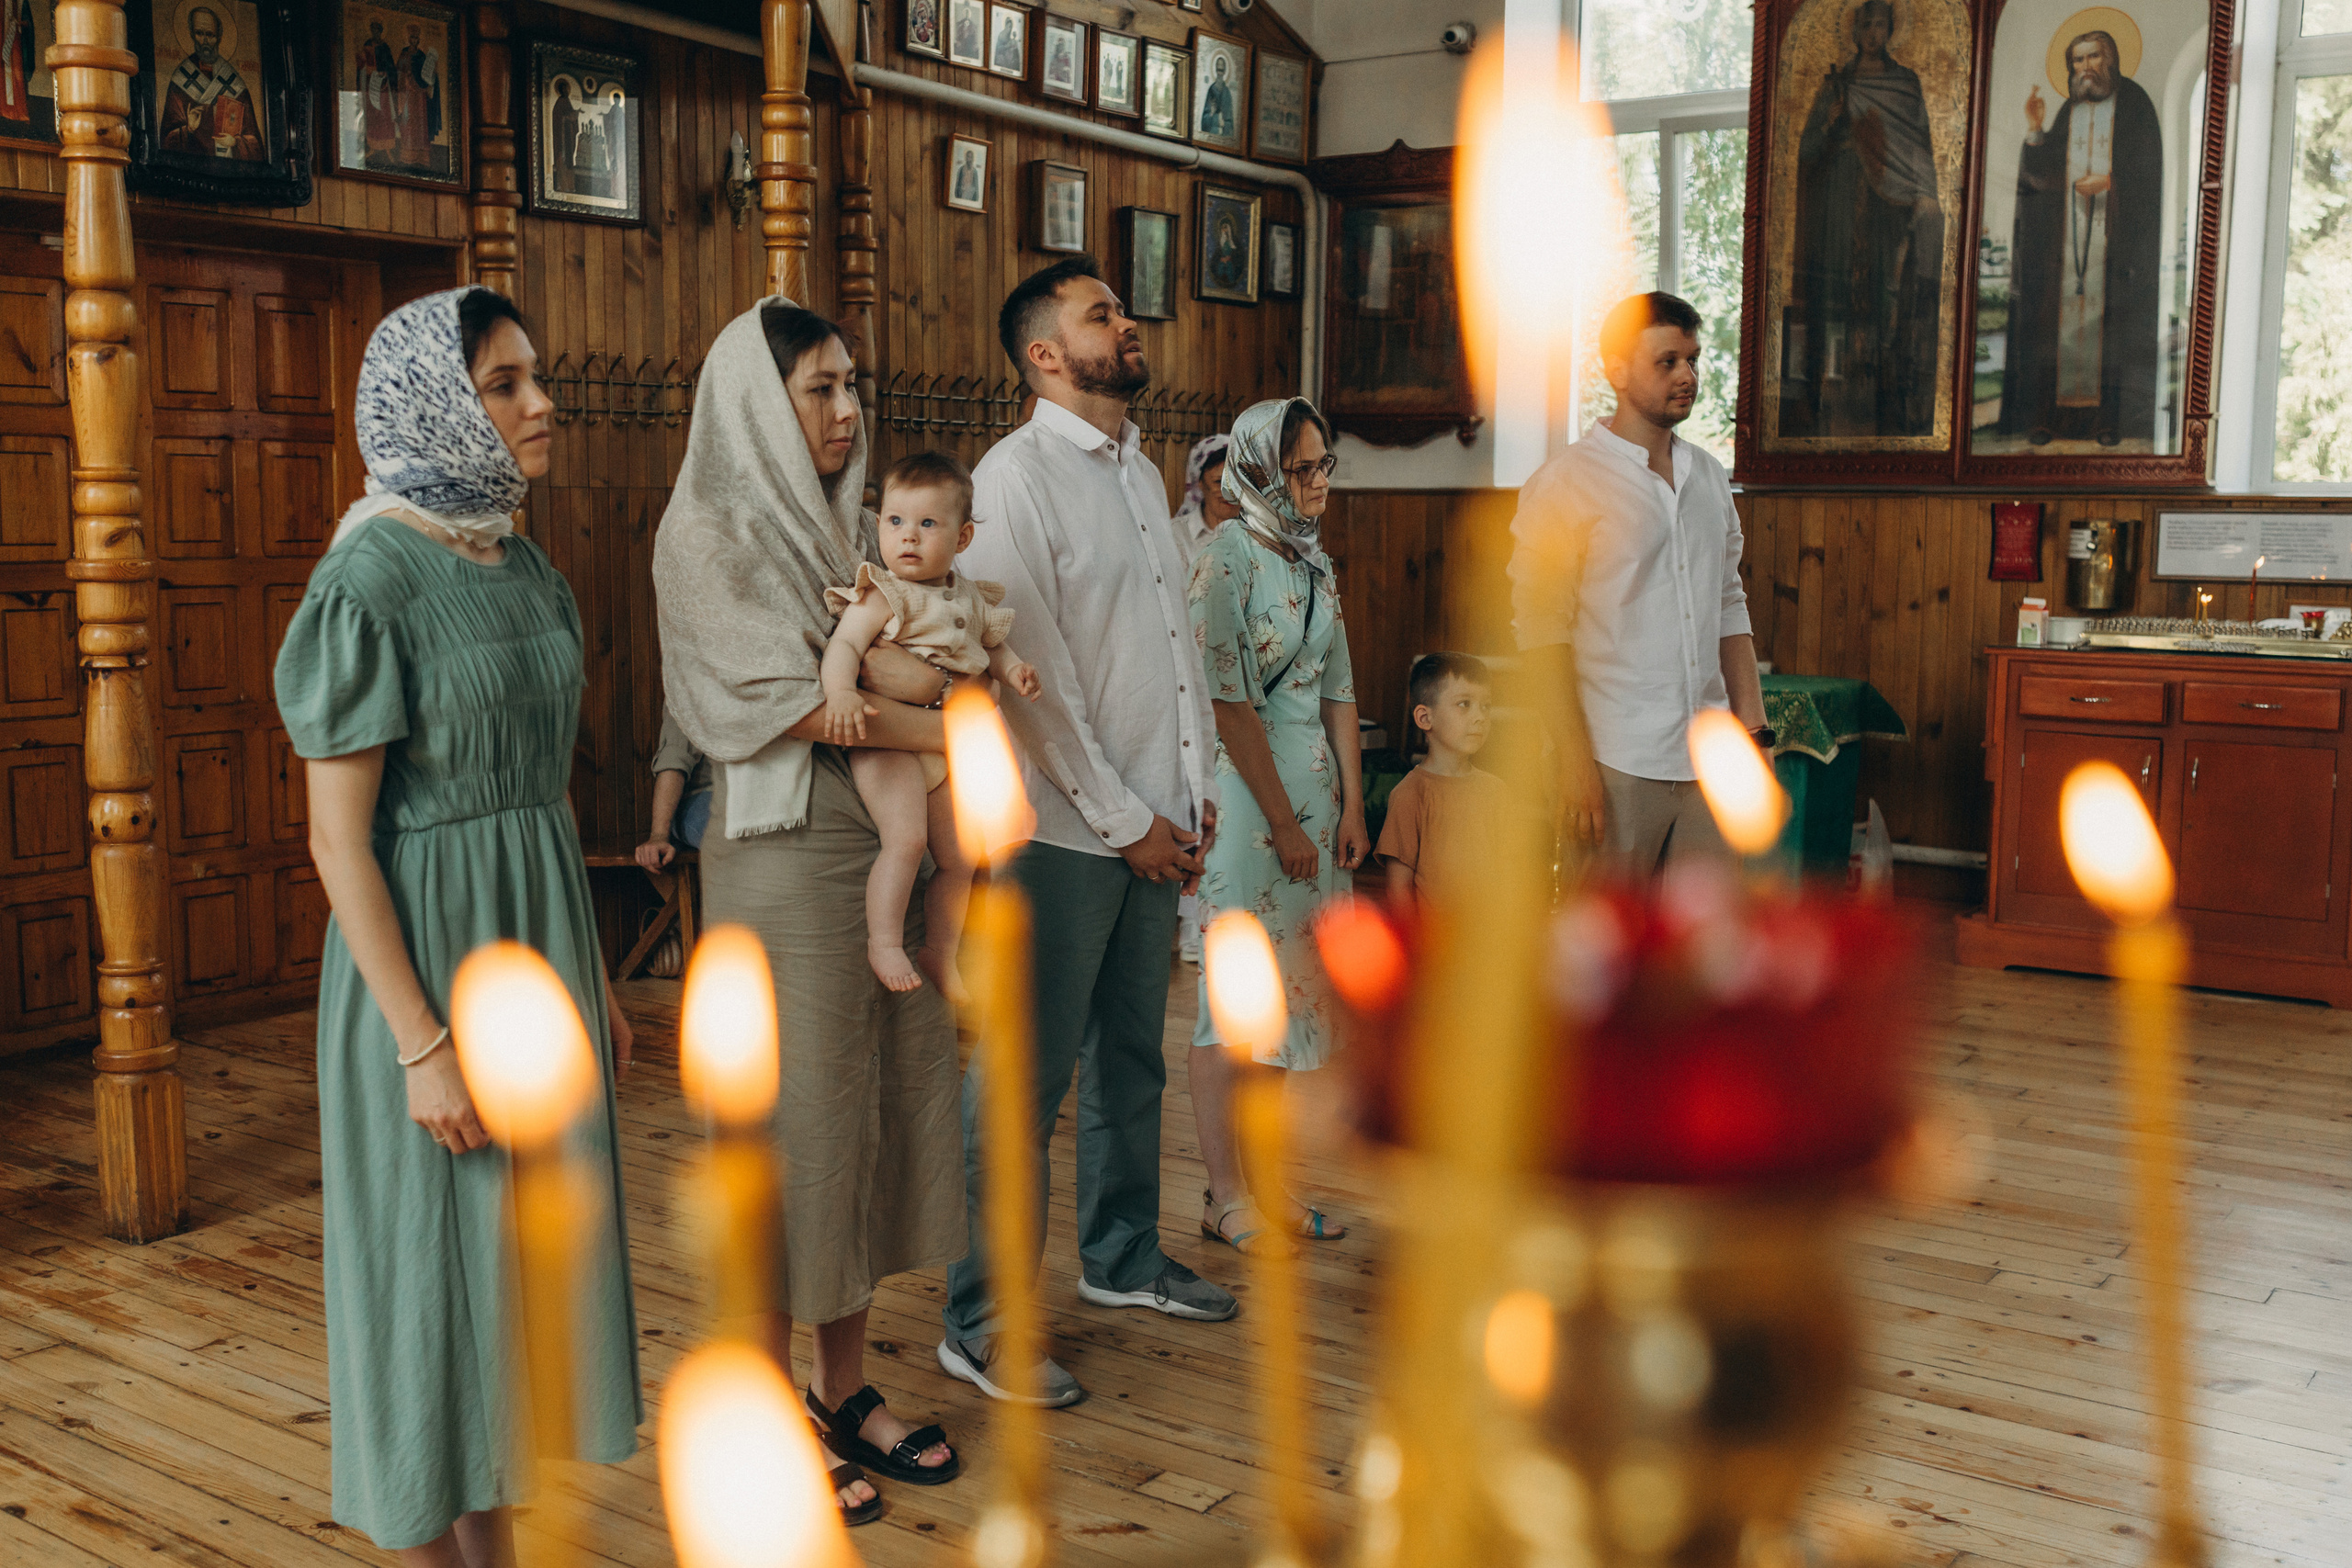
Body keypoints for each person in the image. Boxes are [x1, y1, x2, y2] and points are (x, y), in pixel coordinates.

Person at [275, 287, 642, 1565]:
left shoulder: (518, 552)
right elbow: (338, 838)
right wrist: (421, 1041)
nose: (541, 401)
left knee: (511, 1276)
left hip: (535, 934)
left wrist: (589, 974)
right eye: (505, 382)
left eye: (537, 376)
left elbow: (546, 787)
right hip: (424, 957)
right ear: (436, 398)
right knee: (428, 1276)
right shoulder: (367, 574)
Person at [653, 299, 965, 1524]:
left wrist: (914, 690)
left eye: (851, 387)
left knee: (864, 1122)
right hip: (777, 855)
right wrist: (942, 721)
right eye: (818, 391)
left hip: (873, 849)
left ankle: (842, 1386)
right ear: (753, 402)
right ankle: (762, 1397)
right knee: (785, 1139)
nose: (845, 414)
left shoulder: (847, 521)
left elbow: (918, 651)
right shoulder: (707, 529)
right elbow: (792, 702)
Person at [940, 255, 1237, 1408]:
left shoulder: (1135, 468)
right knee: (1022, 1085)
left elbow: (1171, 654)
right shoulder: (1011, 479)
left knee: (1131, 1061)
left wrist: (1196, 788)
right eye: (1100, 313)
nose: (1129, 321)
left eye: (1123, 304)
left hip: (1157, 820)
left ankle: (1118, 1260)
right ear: (1044, 355)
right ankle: (983, 1320)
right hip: (1064, 833)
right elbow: (1034, 682)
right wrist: (1124, 821)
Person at [1508, 291, 1770, 878]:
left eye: (1693, 360)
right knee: (1606, 954)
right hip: (1614, 760)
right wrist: (1576, 765)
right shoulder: (1564, 484)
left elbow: (1730, 606)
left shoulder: (1708, 476)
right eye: (1667, 361)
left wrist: (1758, 735)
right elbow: (1542, 637)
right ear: (1617, 369)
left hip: (1709, 758)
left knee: (1698, 954)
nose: (1688, 376)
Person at [1186, 397, 1365, 1254]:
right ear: (1260, 471)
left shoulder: (1314, 562)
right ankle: (1225, 1196)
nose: (1320, 481)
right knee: (1235, 1011)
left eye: (1326, 463)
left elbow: (1340, 691)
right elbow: (1227, 704)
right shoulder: (1226, 556)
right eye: (1303, 468)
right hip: (1250, 815)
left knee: (1290, 1009)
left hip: (1318, 811)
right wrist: (1287, 822)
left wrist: (1353, 808)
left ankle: (1274, 1181)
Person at [818, 451, 1040, 994]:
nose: (908, 538)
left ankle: (940, 952)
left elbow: (995, 647)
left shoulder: (969, 596)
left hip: (944, 755)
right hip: (890, 745)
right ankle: (884, 943)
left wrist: (1016, 673)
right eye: (895, 522)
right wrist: (841, 692)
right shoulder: (884, 593)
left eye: (927, 524)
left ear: (962, 539)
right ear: (879, 525)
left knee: (961, 859)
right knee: (906, 842)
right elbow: (844, 644)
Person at [1787, 0, 1942, 438]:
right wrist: (1831, 125)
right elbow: (1806, 154)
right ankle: (1827, 398)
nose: (1874, 32)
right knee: (1838, 293)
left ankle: (1887, 396)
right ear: (1855, 31)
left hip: (1887, 206)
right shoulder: (1837, 84)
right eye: (1867, 24)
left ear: (1892, 30)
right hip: (1838, 200)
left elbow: (1918, 147)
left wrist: (1925, 193)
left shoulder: (1904, 83)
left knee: (1883, 295)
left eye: (1882, 24)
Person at [2000, 28, 2162, 447]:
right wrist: (2036, 130)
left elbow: (2149, 175)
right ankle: (2047, 419)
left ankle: (2107, 422)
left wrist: (2111, 181)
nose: (2085, 68)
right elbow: (2039, 180)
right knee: (2054, 326)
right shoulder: (2066, 113)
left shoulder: (2136, 106)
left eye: (2094, 58)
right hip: (2065, 246)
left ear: (2111, 61)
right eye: (2078, 60)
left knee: (2110, 330)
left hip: (2115, 248)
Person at [1169, 433, 1241, 964]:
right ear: (1199, 483)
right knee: (1194, 800)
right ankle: (1191, 927)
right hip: (1185, 679)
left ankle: (1225, 920)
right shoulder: (1176, 536)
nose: (1227, 496)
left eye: (1236, 486)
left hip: (1238, 675)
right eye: (1217, 485)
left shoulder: (1256, 536)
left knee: (1232, 803)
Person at [1377, 652, 1504, 901]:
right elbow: (1398, 891)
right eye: (1464, 704)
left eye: (1485, 706)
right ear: (1425, 718)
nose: (1480, 717)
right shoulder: (1409, 795)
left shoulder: (1496, 790)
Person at [161, 6, 262, 161]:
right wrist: (188, 129)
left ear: (219, 36)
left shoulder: (234, 83)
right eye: (199, 34)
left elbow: (256, 146)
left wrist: (235, 142)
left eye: (210, 34)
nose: (205, 41)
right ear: (191, 34)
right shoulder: (181, 78)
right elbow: (166, 141)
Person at [637, 708, 712, 871]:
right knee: (748, 841)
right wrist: (658, 835)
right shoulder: (692, 684)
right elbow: (675, 758)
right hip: (704, 794)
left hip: (760, 798)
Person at [394, 23, 441, 169]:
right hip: (406, 95)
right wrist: (404, 79)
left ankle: (421, 156)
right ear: (408, 38)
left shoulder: (421, 56)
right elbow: (399, 72)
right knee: (407, 123)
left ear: (418, 40)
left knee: (419, 125)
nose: (413, 40)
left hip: (419, 98)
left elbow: (426, 78)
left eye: (416, 38)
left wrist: (431, 75)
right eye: (411, 37)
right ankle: (407, 154)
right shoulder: (403, 53)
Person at [1202, 53, 1236, 138]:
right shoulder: (1211, 90)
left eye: (1221, 70)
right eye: (1218, 70)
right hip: (1212, 133)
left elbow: (1230, 121)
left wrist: (1224, 123)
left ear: (1224, 72)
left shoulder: (1227, 93)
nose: (1219, 73)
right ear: (1215, 70)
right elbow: (1205, 120)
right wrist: (1213, 116)